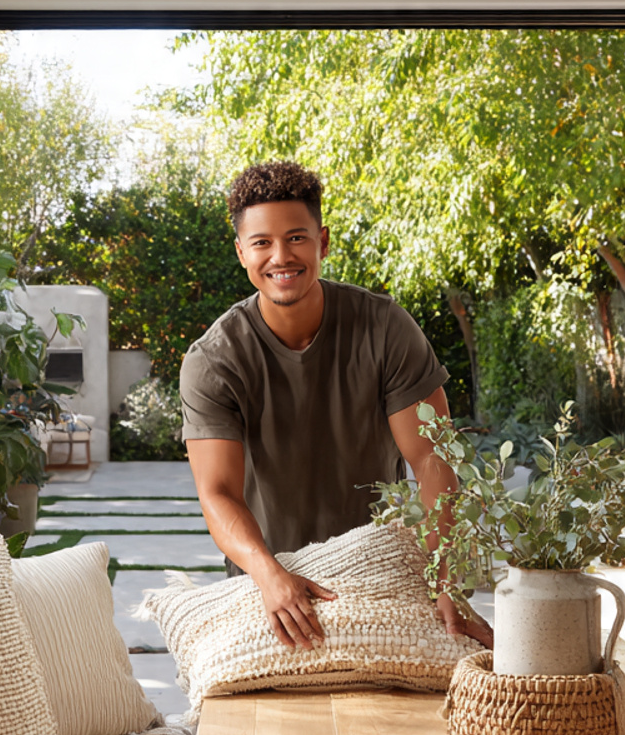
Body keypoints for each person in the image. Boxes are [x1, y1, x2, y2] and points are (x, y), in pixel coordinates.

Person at [180, 160, 493, 652]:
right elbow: (217, 492)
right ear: (242, 252)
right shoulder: (215, 359)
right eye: (262, 242)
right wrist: (269, 574)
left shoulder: (385, 329)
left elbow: (432, 460)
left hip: (379, 570)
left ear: (322, 242)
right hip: (266, 578)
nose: (281, 256)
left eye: (296, 238)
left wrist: (445, 575)